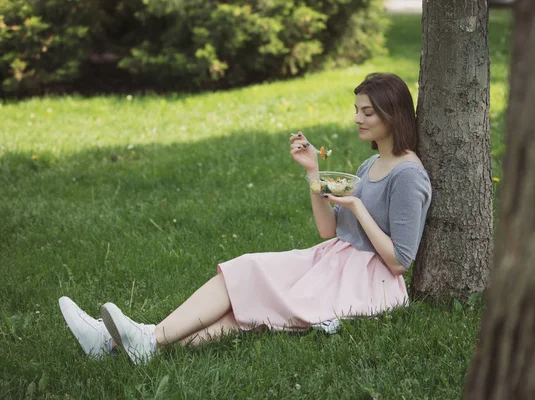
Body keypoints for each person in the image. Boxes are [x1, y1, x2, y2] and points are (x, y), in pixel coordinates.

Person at [58, 72, 432, 364]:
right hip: (334, 260)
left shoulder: (408, 174)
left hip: (366, 282)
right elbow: (327, 230)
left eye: (367, 112)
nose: (357, 119)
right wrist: (312, 173)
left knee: (248, 276)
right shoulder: (371, 164)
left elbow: (400, 261)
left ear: (392, 114)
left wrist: (357, 207)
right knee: (245, 305)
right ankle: (127, 345)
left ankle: (138, 340)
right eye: (357, 110)